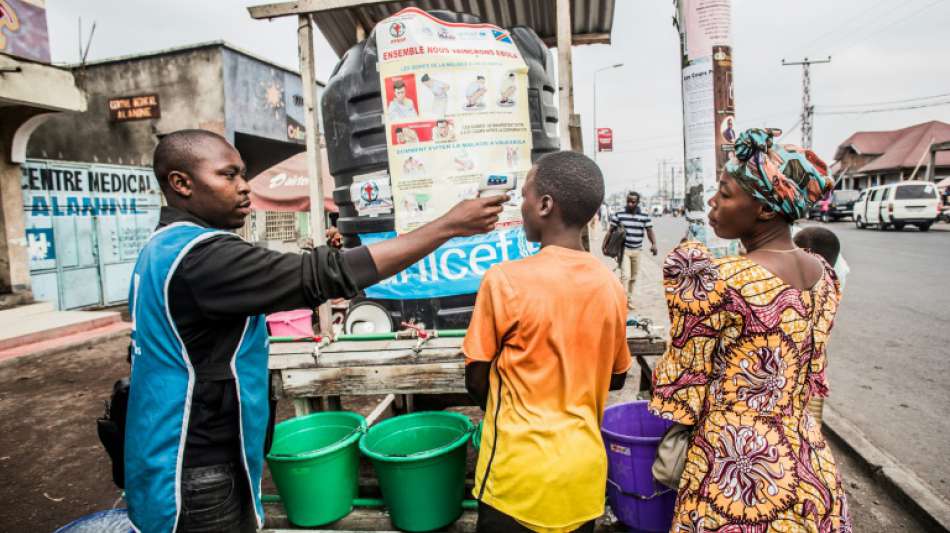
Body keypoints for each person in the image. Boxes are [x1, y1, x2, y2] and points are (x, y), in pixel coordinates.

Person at [126, 129, 508, 533]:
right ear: (181, 183)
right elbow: (324, 275)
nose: (244, 189)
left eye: (243, 175)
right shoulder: (201, 258)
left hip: (169, 449)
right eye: (228, 176)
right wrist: (447, 226)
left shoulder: (165, 246)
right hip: (195, 466)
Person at [650, 129, 852, 531]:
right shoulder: (825, 275)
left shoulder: (718, 279)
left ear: (763, 210)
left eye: (724, 194)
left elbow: (681, 391)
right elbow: (811, 375)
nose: (712, 202)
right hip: (809, 469)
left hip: (734, 475)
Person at [464, 151, 631, 533]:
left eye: (525, 195)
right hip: (583, 477)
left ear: (544, 205)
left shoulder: (503, 280)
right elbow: (617, 377)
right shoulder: (611, 287)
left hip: (516, 479)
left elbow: (476, 379)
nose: (521, 205)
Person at [609, 191, 657, 311]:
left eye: (633, 202)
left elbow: (649, 231)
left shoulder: (644, 216)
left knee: (633, 278)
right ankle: (623, 301)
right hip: (624, 250)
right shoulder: (619, 215)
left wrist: (654, 244)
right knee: (625, 276)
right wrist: (606, 246)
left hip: (637, 251)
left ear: (637, 202)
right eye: (628, 201)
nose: (630, 204)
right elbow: (610, 230)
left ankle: (628, 300)